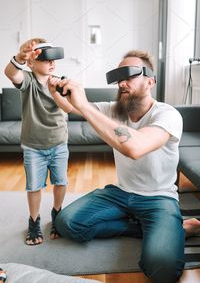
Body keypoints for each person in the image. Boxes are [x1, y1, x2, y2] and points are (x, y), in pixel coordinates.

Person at [48, 50, 185, 282]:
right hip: (120, 193)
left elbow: (135, 148)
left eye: (129, 75)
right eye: (118, 78)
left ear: (150, 81)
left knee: (162, 267)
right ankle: (145, 229)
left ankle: (168, 229)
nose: (122, 83)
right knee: (66, 223)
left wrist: (85, 105)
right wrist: (56, 92)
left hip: (159, 198)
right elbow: (70, 107)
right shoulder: (114, 109)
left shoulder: (167, 115)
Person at [4, 38, 74, 246]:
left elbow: (69, 108)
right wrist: (20, 57)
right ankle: (34, 221)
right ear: (31, 63)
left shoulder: (61, 82)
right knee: (34, 186)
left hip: (59, 143)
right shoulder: (27, 81)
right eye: (44, 59)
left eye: (53, 59)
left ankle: (57, 214)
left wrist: (57, 91)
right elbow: (10, 73)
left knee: (61, 181)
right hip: (33, 146)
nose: (51, 62)